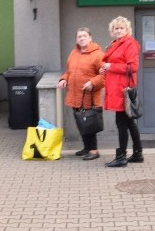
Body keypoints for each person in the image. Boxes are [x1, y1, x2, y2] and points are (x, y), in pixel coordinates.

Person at [100, 16, 143, 167]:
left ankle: (121, 156)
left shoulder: (129, 44)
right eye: (116, 28)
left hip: (122, 89)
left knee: (122, 123)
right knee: (129, 122)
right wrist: (105, 68)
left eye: (121, 28)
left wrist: (111, 67)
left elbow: (133, 67)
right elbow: (111, 63)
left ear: (127, 30)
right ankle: (138, 153)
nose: (119, 30)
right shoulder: (115, 44)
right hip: (117, 87)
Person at [57, 27, 106, 160]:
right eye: (79, 36)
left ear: (90, 38)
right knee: (81, 123)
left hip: (89, 97)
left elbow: (104, 76)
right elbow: (69, 71)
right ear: (76, 39)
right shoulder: (74, 53)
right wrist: (63, 79)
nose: (82, 38)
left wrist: (92, 82)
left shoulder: (98, 54)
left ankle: (94, 151)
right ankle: (86, 148)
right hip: (75, 95)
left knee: (89, 124)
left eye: (84, 36)